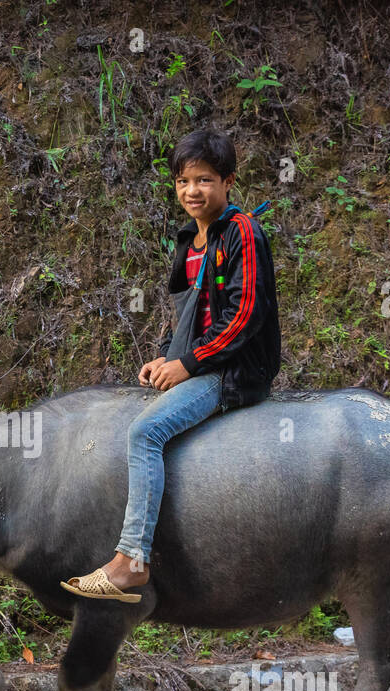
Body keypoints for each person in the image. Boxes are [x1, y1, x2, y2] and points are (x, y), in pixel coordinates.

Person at [61, 127, 282, 602]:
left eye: (204, 180)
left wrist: (189, 363)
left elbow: (244, 314)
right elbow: (192, 313)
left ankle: (132, 560)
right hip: (202, 362)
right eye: (183, 182)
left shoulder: (242, 231)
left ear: (228, 182)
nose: (192, 192)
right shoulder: (189, 238)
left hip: (234, 371)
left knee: (145, 432)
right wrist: (168, 355)